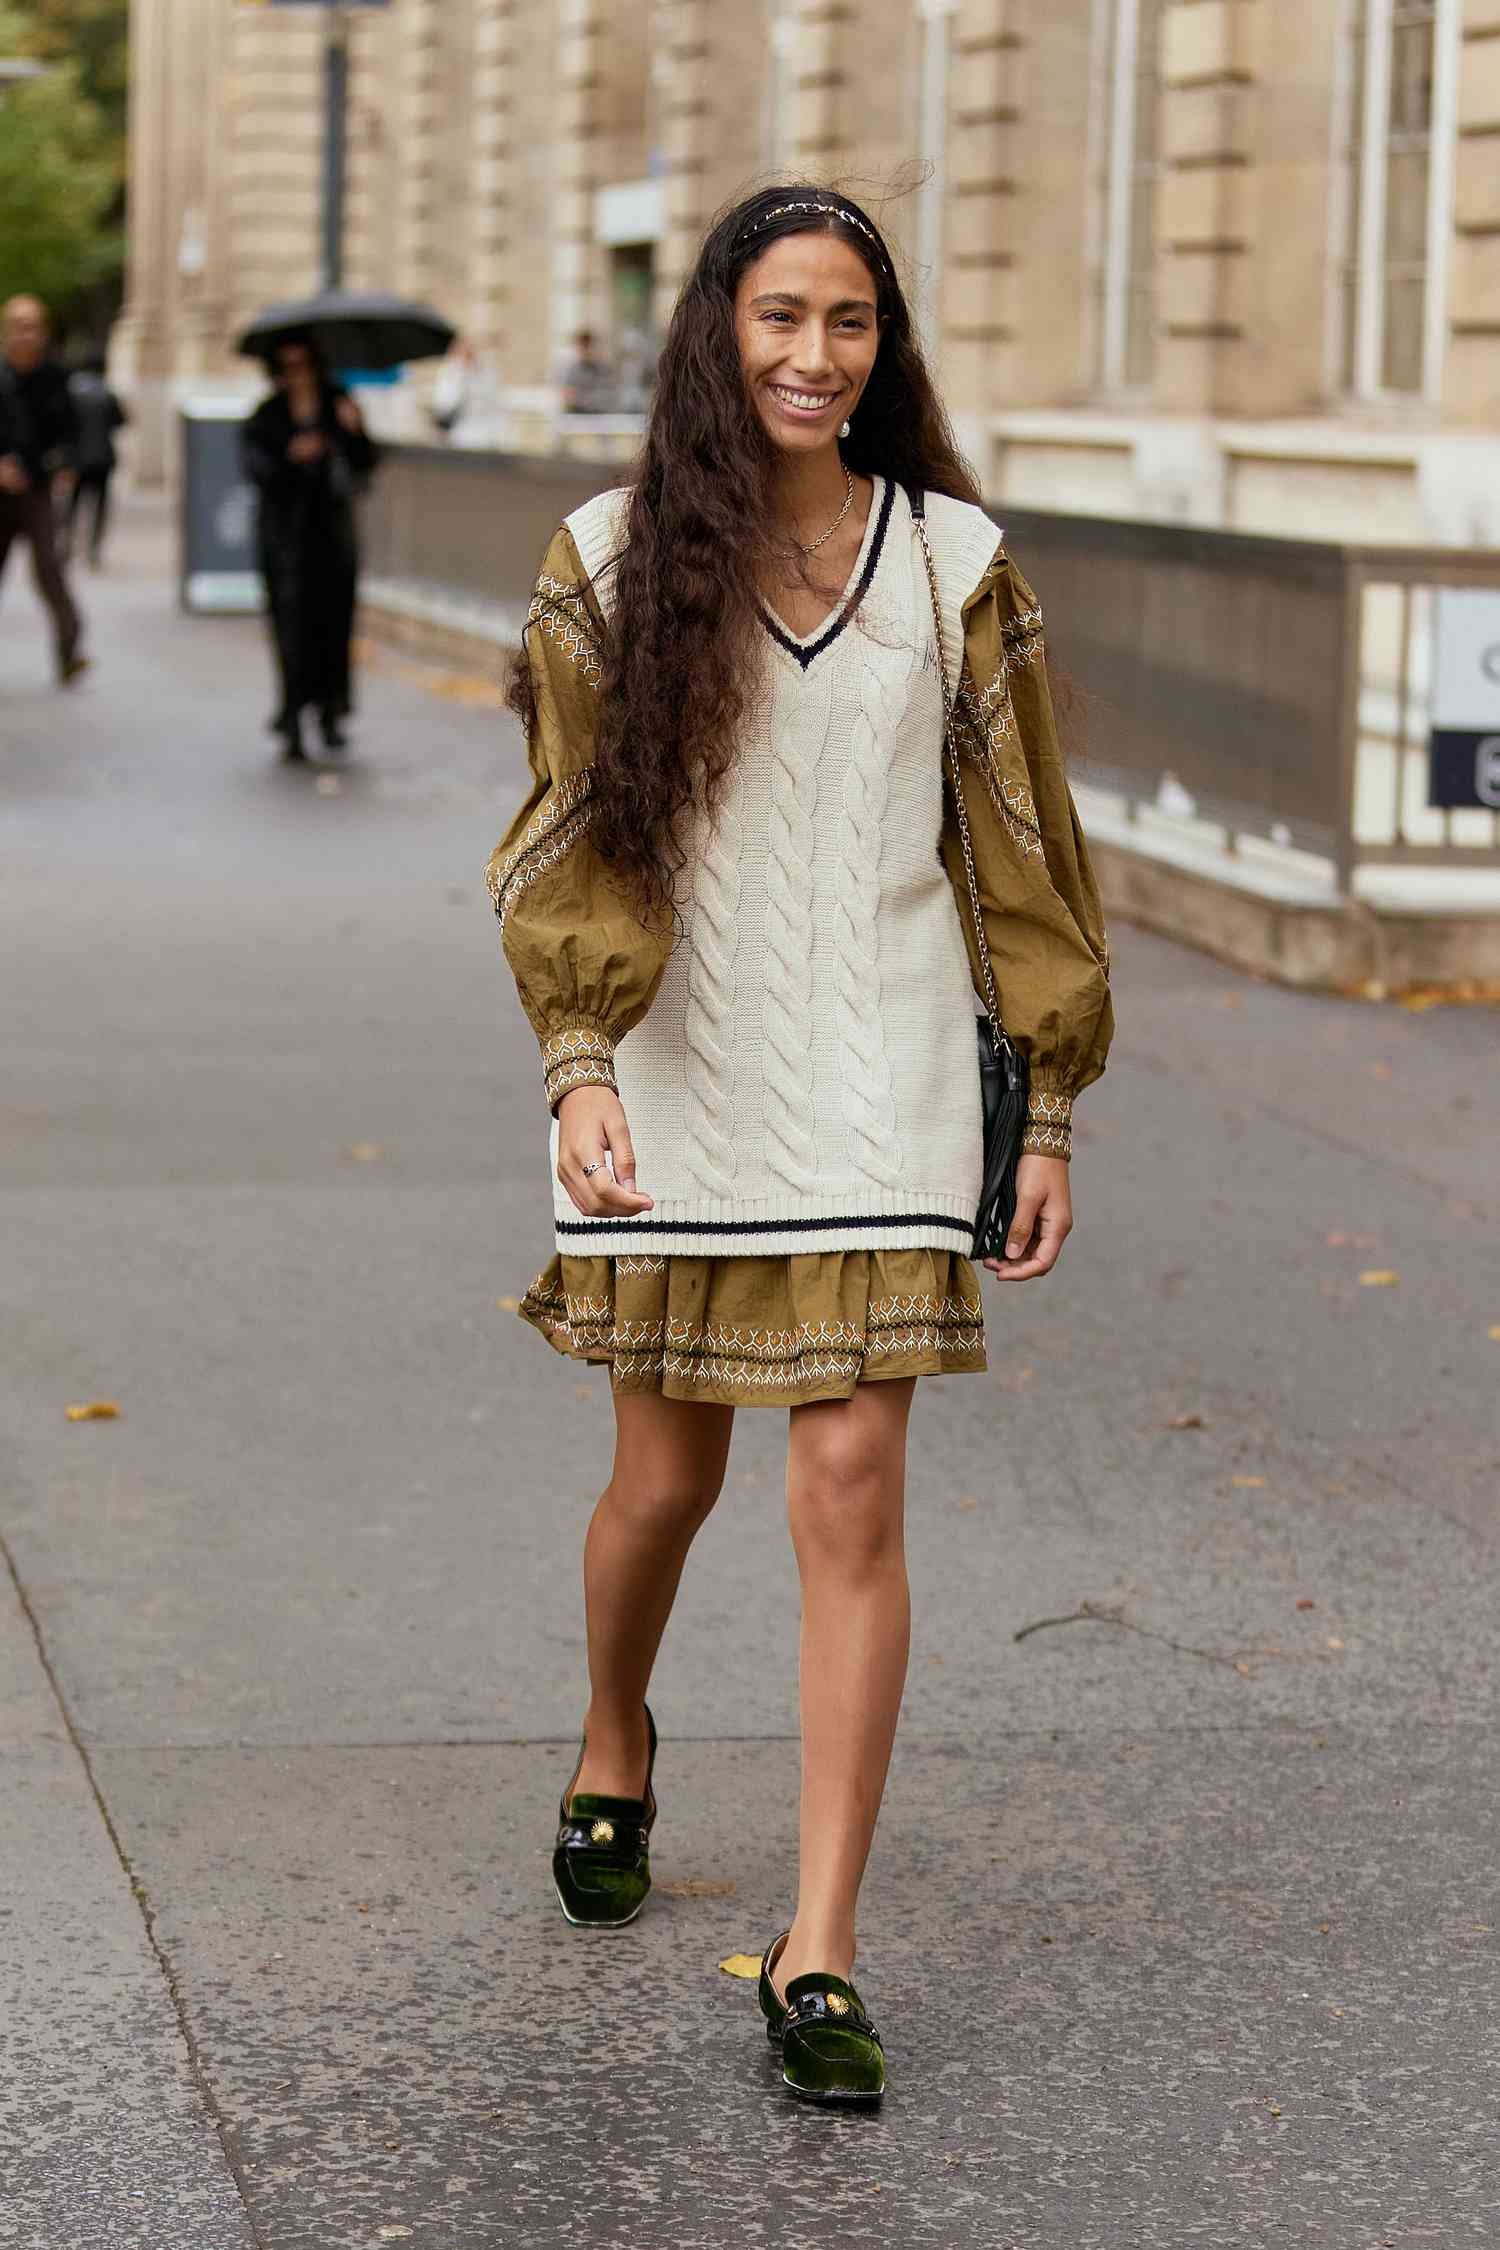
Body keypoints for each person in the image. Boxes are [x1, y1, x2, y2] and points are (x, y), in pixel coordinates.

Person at [487, 186, 1113, 2108]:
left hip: (891, 1077)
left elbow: (1021, 852)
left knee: (848, 1488)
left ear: (885, 345)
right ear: (716, 329)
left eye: (849, 322)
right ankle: (615, 1731)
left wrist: (1048, 1105)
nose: (812, 355)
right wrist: (581, 1065)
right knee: (659, 1487)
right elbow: (569, 837)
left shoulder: (957, 566)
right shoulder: (607, 563)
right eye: (779, 316)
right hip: (678, 1071)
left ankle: (822, 1941)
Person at [240, 332, 378, 762]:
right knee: (290, 627)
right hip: (284, 537)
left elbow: (365, 463)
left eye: (304, 365)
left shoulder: (339, 403)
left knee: (335, 624)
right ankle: (293, 716)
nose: (298, 375)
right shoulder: (267, 415)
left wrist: (354, 431)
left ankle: (331, 713)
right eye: (289, 367)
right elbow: (254, 467)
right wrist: (292, 455)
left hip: (332, 534)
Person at [0, 295, 87, 685]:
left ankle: (70, 650)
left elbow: (71, 432)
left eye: (32, 325)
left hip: (36, 489)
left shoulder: (56, 378)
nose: (25, 334)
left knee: (50, 568)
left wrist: (64, 464)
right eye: (18, 325)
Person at [63, 358, 128, 570]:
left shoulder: (71, 393)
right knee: (99, 505)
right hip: (103, 458)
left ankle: (67, 543)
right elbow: (121, 421)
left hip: (78, 458)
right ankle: (93, 548)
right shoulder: (107, 393)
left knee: (73, 502)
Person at [558, 328, 615, 415]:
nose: (586, 349)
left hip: (599, 418)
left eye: (588, 345)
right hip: (576, 417)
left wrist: (579, 398)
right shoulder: (571, 369)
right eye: (582, 345)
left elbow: (607, 398)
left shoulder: (604, 370)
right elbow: (566, 396)